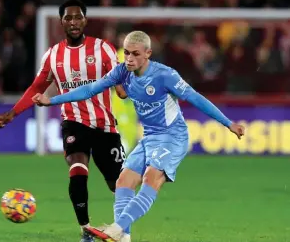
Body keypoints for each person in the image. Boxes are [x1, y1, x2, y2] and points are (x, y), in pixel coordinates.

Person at [32, 31, 245, 242]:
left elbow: (196, 99)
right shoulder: (122, 72)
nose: (130, 59)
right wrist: (52, 100)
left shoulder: (165, 75)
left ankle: (117, 228)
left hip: (173, 137)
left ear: (148, 54)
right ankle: (123, 237)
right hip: (150, 137)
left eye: (135, 54)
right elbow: (90, 89)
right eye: (126, 53)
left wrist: (228, 123)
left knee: (151, 178)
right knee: (123, 180)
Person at [0, 0, 128, 242]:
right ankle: (86, 229)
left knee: (117, 184)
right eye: (69, 18)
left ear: (85, 20)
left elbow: (119, 78)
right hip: (73, 121)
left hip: (104, 125)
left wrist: (122, 87)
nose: (74, 22)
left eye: (78, 17)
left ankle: (123, 229)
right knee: (78, 169)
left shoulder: (103, 48)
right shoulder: (53, 55)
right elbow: (37, 87)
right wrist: (13, 113)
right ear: (62, 22)